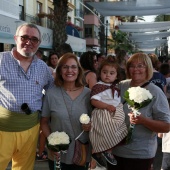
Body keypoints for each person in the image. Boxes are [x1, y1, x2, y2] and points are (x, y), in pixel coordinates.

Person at [0, 23, 54, 170]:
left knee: (24, 168)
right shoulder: (1, 60)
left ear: (39, 43)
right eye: (24, 37)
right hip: (2, 128)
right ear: (16, 38)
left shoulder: (43, 68)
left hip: (31, 129)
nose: (29, 42)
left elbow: (52, 93)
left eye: (34, 39)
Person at [107, 52, 170, 170]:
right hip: (115, 152)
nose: (136, 69)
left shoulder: (155, 92)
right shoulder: (121, 86)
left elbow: (166, 126)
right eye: (132, 65)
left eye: (140, 65)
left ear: (148, 68)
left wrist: (143, 121)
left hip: (141, 155)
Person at [40, 53, 92, 170]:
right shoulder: (51, 94)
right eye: (65, 67)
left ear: (79, 70)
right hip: (57, 154)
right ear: (59, 70)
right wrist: (51, 143)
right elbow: (44, 122)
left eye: (73, 67)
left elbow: (96, 121)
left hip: (81, 153)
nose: (70, 70)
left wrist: (90, 125)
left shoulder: (88, 94)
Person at [89, 59, 127, 166]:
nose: (107, 75)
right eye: (104, 72)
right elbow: (94, 101)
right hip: (103, 113)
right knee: (107, 131)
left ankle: (103, 152)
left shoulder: (115, 87)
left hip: (114, 112)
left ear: (117, 75)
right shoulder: (99, 86)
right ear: (100, 73)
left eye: (111, 73)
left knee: (117, 130)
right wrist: (106, 106)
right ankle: (104, 152)